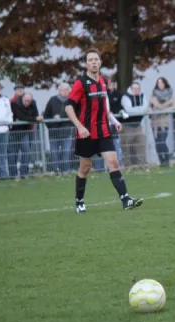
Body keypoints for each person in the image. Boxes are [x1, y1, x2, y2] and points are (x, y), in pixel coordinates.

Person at [65, 49, 143, 213]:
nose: (93, 62)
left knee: (113, 163)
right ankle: (79, 201)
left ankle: (126, 200)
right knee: (85, 168)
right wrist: (79, 126)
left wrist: (114, 121)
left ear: (100, 62)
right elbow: (68, 107)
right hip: (86, 133)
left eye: (96, 59)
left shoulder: (102, 81)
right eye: (90, 60)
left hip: (103, 131)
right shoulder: (80, 83)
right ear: (86, 64)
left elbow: (105, 107)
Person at [150, 77, 175, 167]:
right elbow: (149, 107)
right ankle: (161, 161)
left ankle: (166, 160)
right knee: (157, 143)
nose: (160, 84)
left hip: (164, 122)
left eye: (162, 82)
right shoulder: (153, 96)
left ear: (165, 84)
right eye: (158, 83)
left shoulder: (170, 96)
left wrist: (165, 109)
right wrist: (152, 110)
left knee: (162, 141)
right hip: (155, 123)